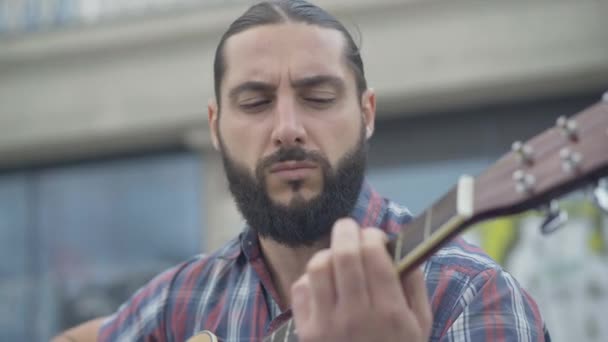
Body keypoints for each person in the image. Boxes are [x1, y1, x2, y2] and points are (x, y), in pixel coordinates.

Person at [53, 0, 550, 341]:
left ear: (366, 113)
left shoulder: (471, 294)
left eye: (317, 98)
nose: (287, 128)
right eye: (255, 102)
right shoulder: (183, 300)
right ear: (215, 125)